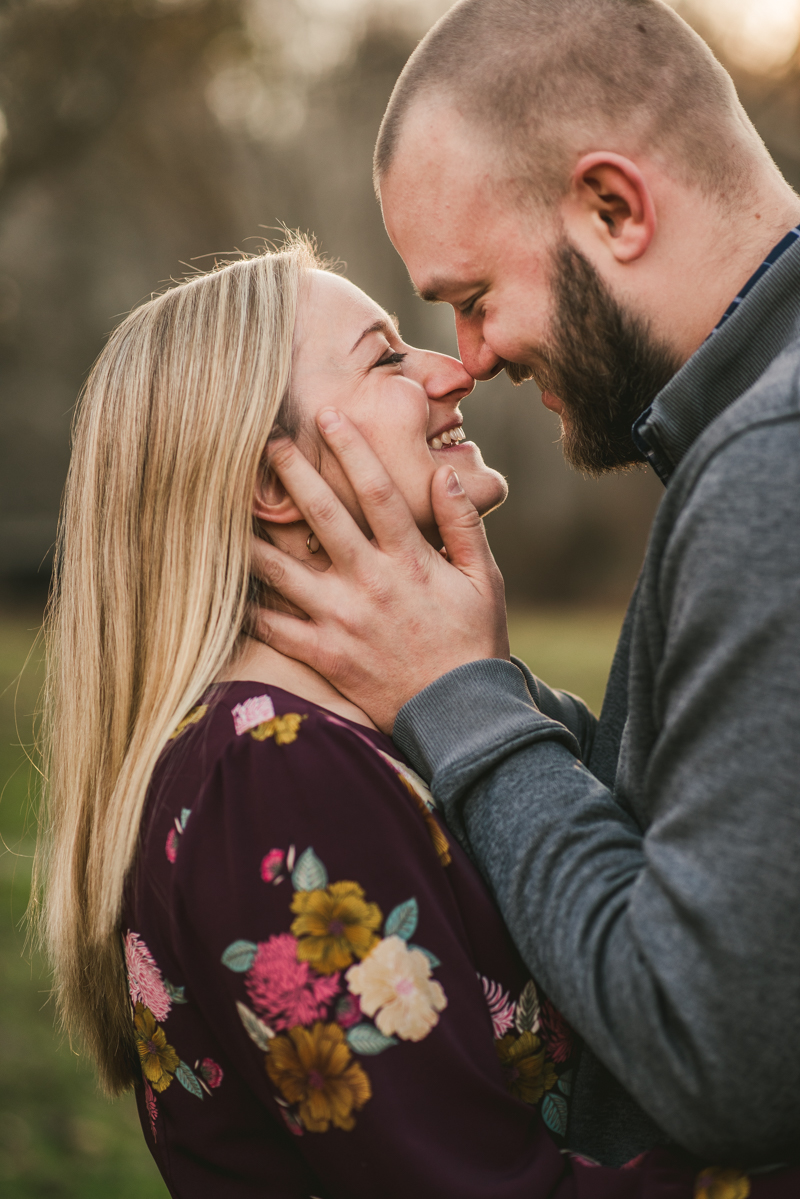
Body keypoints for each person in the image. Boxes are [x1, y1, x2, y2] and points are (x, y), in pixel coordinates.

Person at [245, 0, 800, 1188]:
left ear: (613, 206)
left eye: (473, 292)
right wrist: (487, 685)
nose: (469, 356)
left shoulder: (771, 466)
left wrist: (462, 700)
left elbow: (725, 1058)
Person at [38, 242, 703, 1198]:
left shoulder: (335, 737)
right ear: (274, 486)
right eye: (387, 357)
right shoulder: (275, 774)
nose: (454, 367)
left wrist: (478, 681)